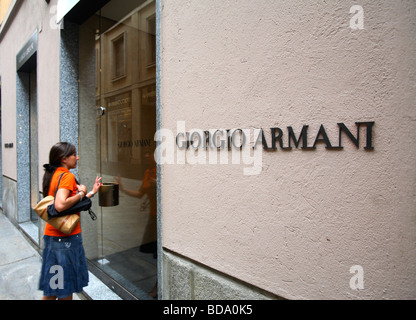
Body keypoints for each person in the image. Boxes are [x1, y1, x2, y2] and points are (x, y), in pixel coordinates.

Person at [38, 142, 102, 300]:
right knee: (66, 288)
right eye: (74, 154)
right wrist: (81, 194)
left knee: (53, 287)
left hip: (53, 237)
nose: (77, 157)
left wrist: (91, 192)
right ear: (63, 159)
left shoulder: (54, 174)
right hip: (65, 240)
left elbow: (68, 205)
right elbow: (60, 205)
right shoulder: (66, 176)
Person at [114, 148, 157, 298]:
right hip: (152, 217)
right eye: (144, 153)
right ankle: (158, 283)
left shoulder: (162, 170)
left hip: (161, 218)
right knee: (153, 253)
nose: (146, 155)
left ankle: (158, 286)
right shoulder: (147, 173)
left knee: (157, 253)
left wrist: (159, 184)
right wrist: (123, 189)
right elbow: (140, 194)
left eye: (149, 152)